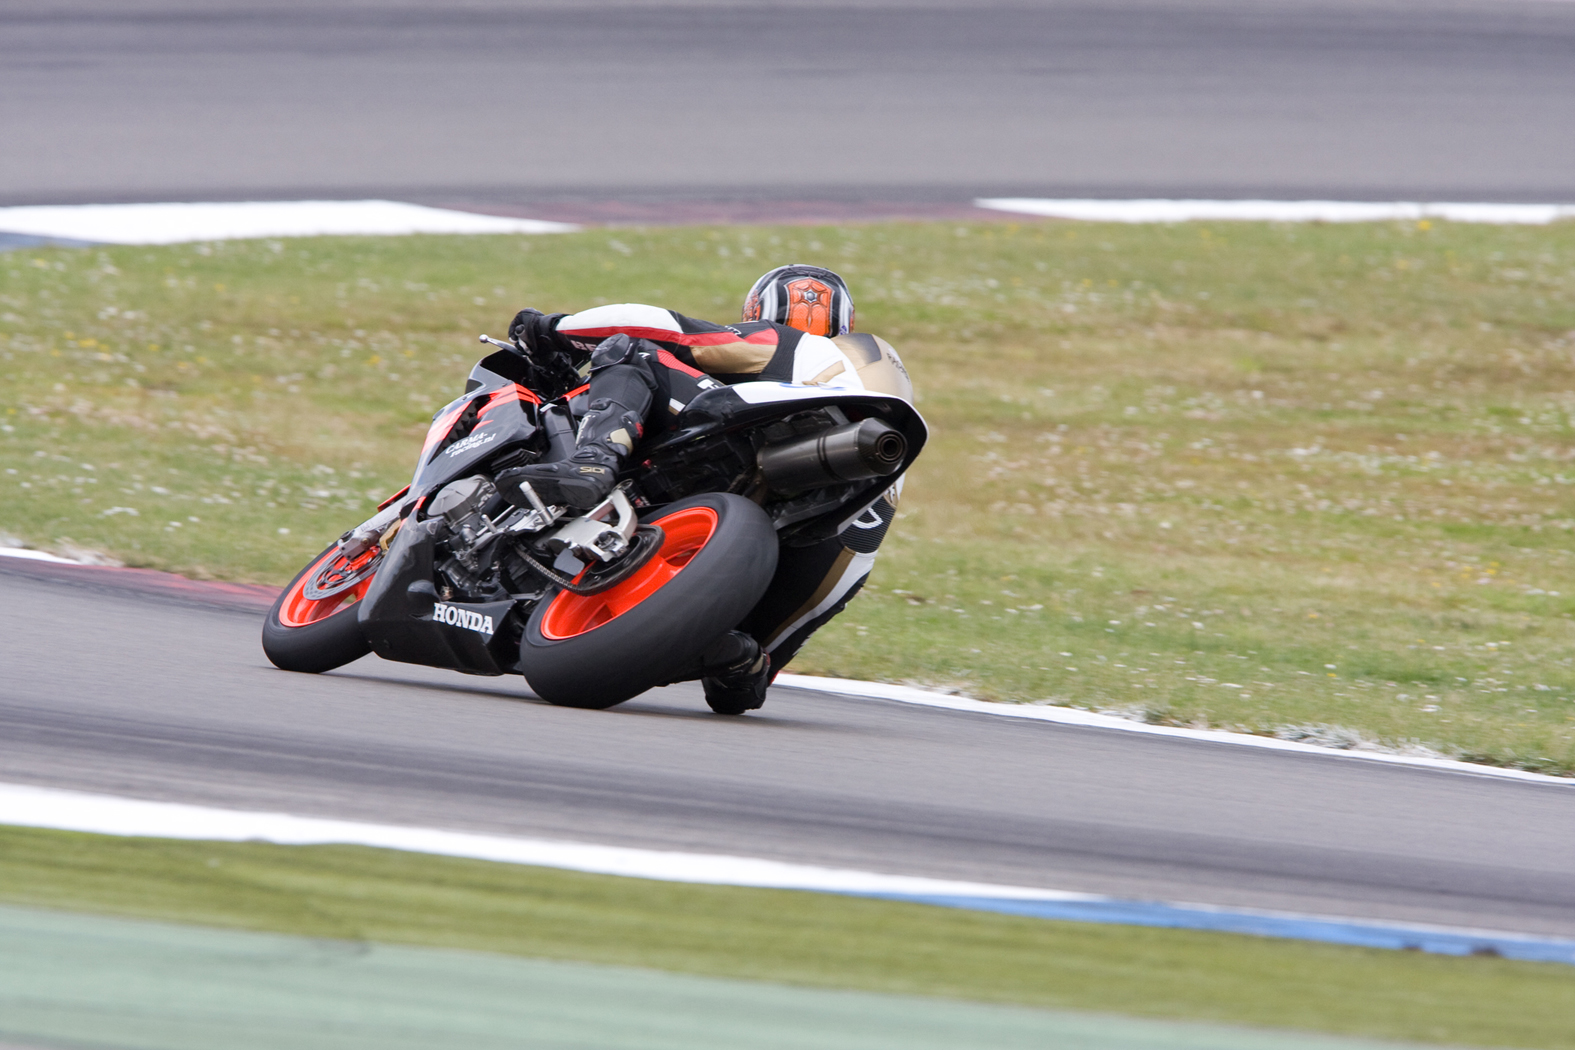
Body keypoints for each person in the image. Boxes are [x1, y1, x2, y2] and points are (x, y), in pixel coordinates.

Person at [497, 265, 914, 712]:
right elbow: (850, 564)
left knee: (632, 351)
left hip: (784, 453)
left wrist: (550, 329)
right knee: (741, 678)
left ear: (759, 310)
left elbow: (663, 328)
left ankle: (593, 461)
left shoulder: (790, 344)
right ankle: (742, 661)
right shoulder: (879, 387)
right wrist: (758, 658)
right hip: (844, 535)